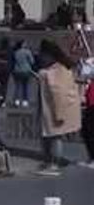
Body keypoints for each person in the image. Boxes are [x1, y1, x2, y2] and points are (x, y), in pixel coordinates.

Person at [36, 39, 82, 176]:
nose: (40, 57)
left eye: (42, 54)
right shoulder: (59, 67)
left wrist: (59, 113)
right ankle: (49, 161)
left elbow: (59, 94)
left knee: (55, 137)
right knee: (49, 137)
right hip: (49, 109)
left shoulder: (56, 70)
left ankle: (54, 164)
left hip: (54, 110)